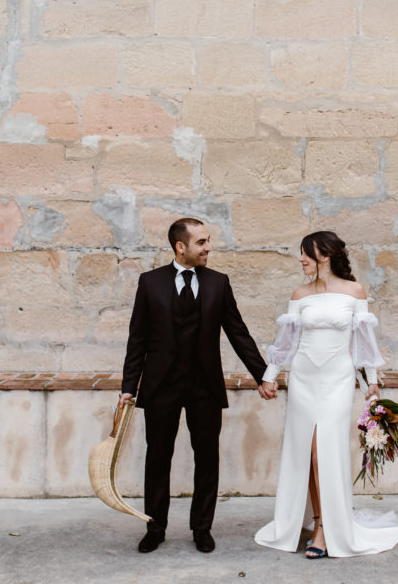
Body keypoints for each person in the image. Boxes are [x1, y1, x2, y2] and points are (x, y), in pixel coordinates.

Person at [118, 218, 275, 554]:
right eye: (201, 242)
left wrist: (262, 375)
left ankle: (202, 528)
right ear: (181, 247)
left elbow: (238, 332)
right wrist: (128, 386)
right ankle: (155, 527)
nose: (208, 248)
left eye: (208, 241)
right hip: (161, 386)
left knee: (207, 459)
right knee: (157, 459)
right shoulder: (150, 282)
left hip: (204, 386)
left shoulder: (219, 283)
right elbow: (138, 339)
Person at [254, 231, 398, 558]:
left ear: (323, 254)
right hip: (304, 380)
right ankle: (318, 521)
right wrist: (270, 377)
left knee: (325, 452)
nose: (301, 259)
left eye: (305, 254)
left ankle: (326, 530)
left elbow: (364, 344)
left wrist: (372, 383)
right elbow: (286, 343)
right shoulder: (300, 294)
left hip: (337, 380)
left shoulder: (354, 292)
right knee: (307, 454)